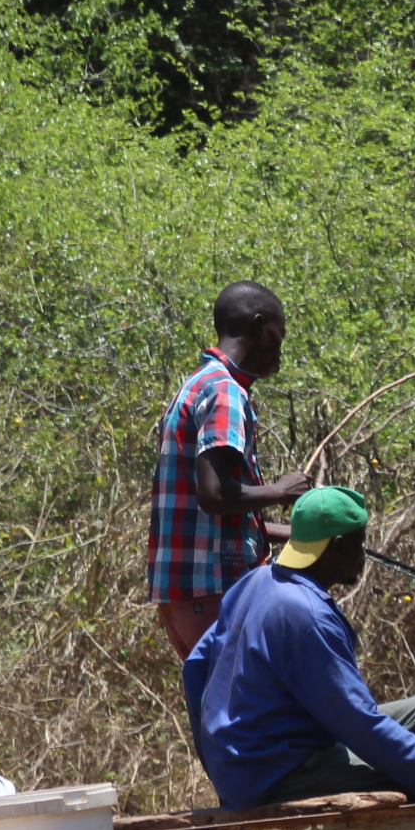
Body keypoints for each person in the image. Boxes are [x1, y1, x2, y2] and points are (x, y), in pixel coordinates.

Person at [184, 486, 415, 813]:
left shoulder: (256, 581)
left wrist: (222, 768)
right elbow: (359, 724)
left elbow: (195, 667)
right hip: (278, 777)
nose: (364, 555)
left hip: (249, 767)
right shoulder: (308, 615)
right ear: (337, 547)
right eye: (360, 545)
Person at [148, 281, 313, 657]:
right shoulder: (226, 391)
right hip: (213, 591)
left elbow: (201, 514)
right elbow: (215, 495)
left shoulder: (196, 384)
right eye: (278, 335)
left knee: (216, 711)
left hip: (183, 593)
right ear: (258, 326)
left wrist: (295, 533)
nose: (280, 348)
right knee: (245, 712)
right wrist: (282, 491)